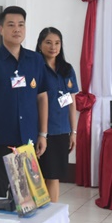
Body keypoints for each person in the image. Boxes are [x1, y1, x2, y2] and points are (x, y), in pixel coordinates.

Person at [0, 6, 49, 199]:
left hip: (27, 140)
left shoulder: (36, 60)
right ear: (1, 29)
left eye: (21, 25)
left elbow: (42, 97)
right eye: (11, 25)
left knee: (27, 198)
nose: (17, 29)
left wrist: (43, 134)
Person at [35, 26, 78, 202]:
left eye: (57, 43)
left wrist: (73, 132)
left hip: (60, 130)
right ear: (40, 45)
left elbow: (71, 102)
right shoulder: (34, 67)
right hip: (38, 130)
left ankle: (50, 215)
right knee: (36, 175)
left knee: (54, 175)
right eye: (48, 43)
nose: (53, 47)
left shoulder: (67, 69)